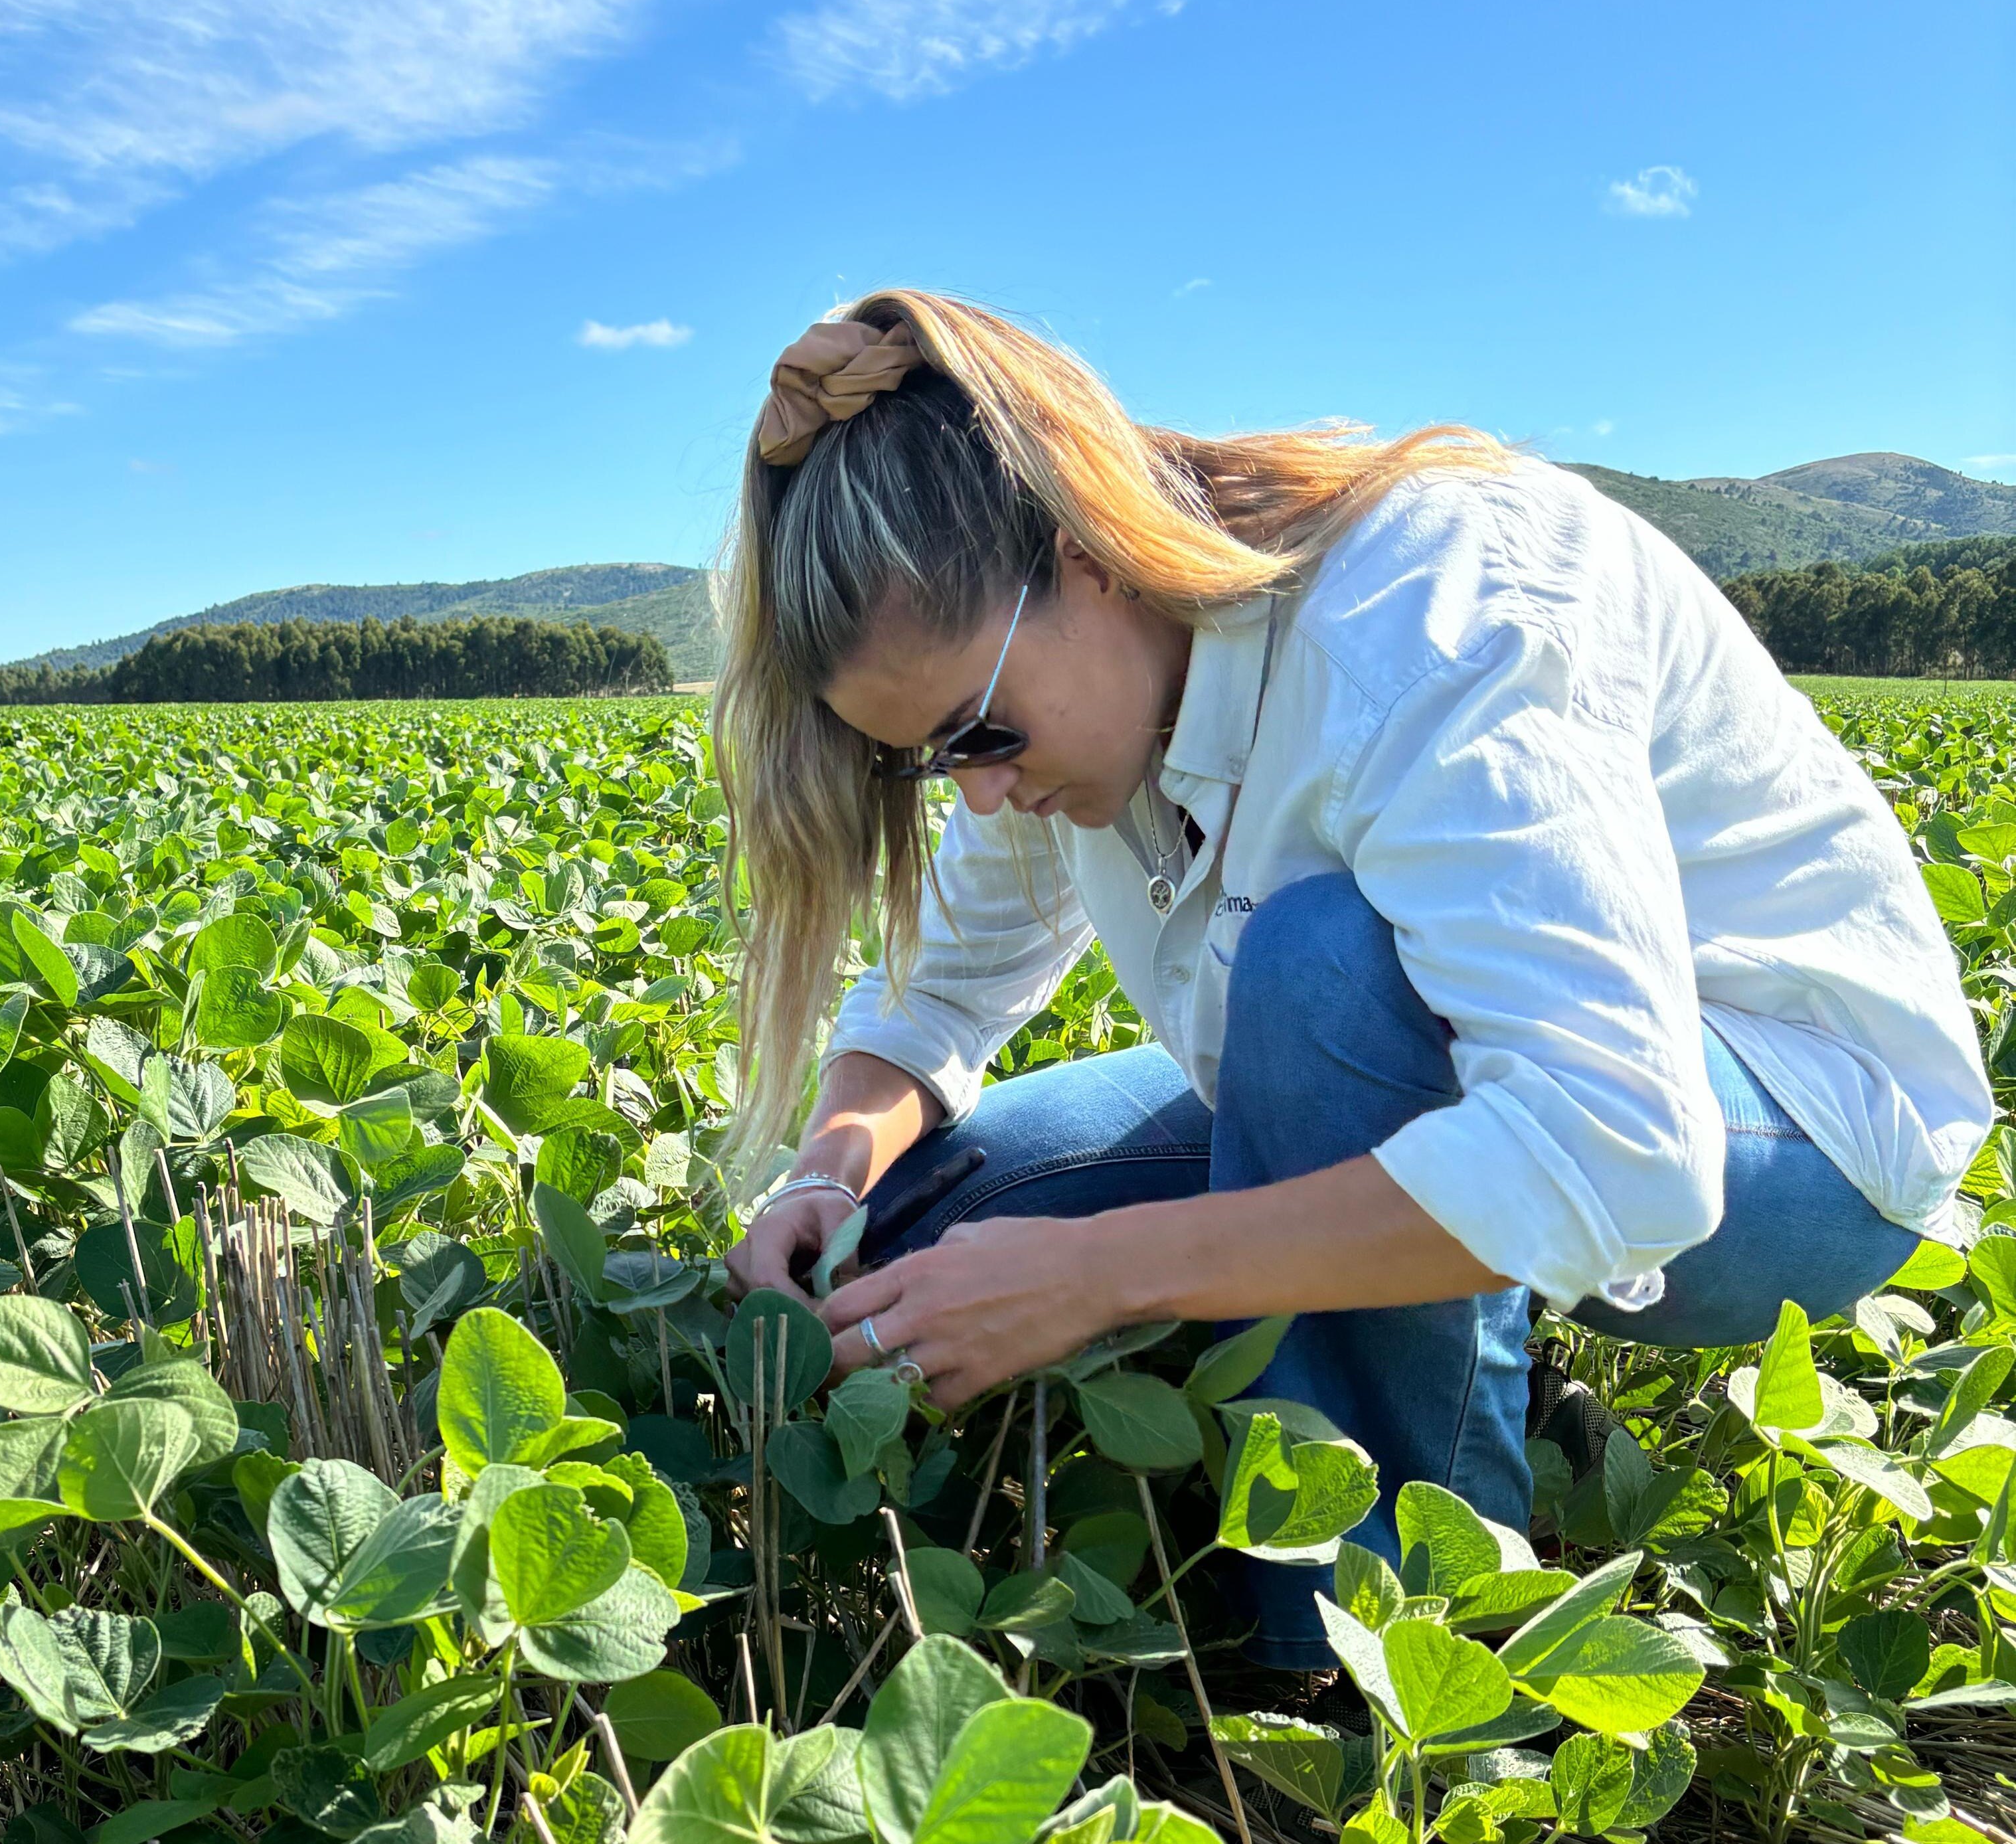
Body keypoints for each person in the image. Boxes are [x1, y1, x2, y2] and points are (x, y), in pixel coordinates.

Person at [713, 290, 1991, 1665]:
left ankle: (1382, 1651)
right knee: (929, 1221)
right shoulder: (1056, 703)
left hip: (1787, 1132)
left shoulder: (1426, 608)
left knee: (1318, 970)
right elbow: (939, 999)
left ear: (1089, 556)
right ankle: (1461, 1351)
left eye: (978, 734)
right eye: (927, 760)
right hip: (1462, 1073)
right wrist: (830, 1173)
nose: (979, 796)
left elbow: (1622, 1151)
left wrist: (1097, 1274)